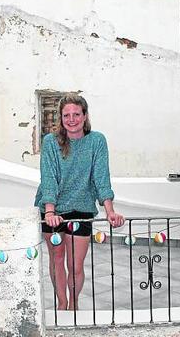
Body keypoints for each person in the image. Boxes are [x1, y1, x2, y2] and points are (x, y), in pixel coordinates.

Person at [35, 93, 125, 311]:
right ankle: (61, 303)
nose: (72, 119)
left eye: (76, 114)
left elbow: (101, 178)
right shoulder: (50, 142)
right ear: (61, 118)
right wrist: (49, 211)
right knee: (57, 259)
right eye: (67, 115)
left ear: (85, 116)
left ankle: (73, 303)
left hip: (82, 208)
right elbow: (48, 177)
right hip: (52, 209)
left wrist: (110, 211)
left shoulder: (96, 141)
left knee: (75, 265)